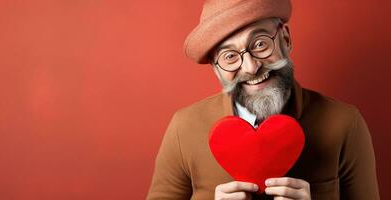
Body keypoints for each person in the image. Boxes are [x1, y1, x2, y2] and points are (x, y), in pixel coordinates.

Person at [146, 0, 380, 199]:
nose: (251, 67)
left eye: (260, 44)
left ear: (285, 39)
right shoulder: (184, 127)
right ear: (216, 69)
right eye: (229, 56)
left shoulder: (345, 122)